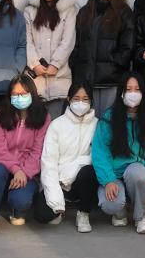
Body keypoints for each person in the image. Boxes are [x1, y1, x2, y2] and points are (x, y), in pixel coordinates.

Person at [0, 74, 50, 238]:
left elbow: (38, 151)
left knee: (21, 200)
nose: (19, 98)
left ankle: (16, 209)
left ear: (32, 93)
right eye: (15, 94)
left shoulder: (43, 117)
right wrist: (15, 169)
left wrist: (24, 172)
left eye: (23, 94)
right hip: (4, 166)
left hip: (28, 171)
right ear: (9, 96)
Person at [93, 72, 145, 235]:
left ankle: (141, 216)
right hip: (114, 174)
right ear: (122, 93)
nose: (133, 93)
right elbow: (100, 151)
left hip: (135, 169)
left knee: (138, 173)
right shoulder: (109, 117)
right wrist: (108, 180)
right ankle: (121, 210)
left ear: (143, 92)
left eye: (137, 89)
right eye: (128, 89)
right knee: (110, 205)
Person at [34, 81, 99, 232]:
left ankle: (83, 213)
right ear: (69, 99)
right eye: (76, 99)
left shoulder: (98, 125)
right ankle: (60, 206)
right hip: (60, 182)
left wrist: (70, 172)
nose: (81, 103)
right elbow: (48, 163)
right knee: (42, 215)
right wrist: (56, 201)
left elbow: (97, 157)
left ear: (91, 101)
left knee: (89, 171)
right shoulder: (56, 125)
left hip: (82, 182)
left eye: (85, 99)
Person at [72, 0, 136, 113]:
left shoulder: (124, 13)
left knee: (108, 120)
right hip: (86, 79)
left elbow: (127, 47)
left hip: (111, 80)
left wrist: (114, 62)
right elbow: (77, 44)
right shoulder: (85, 12)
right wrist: (77, 65)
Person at [24, 0, 79, 119]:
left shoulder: (69, 10)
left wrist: (56, 64)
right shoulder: (30, 10)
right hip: (36, 76)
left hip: (60, 75)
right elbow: (27, 40)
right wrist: (35, 63)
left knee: (57, 121)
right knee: (35, 122)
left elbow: (68, 40)